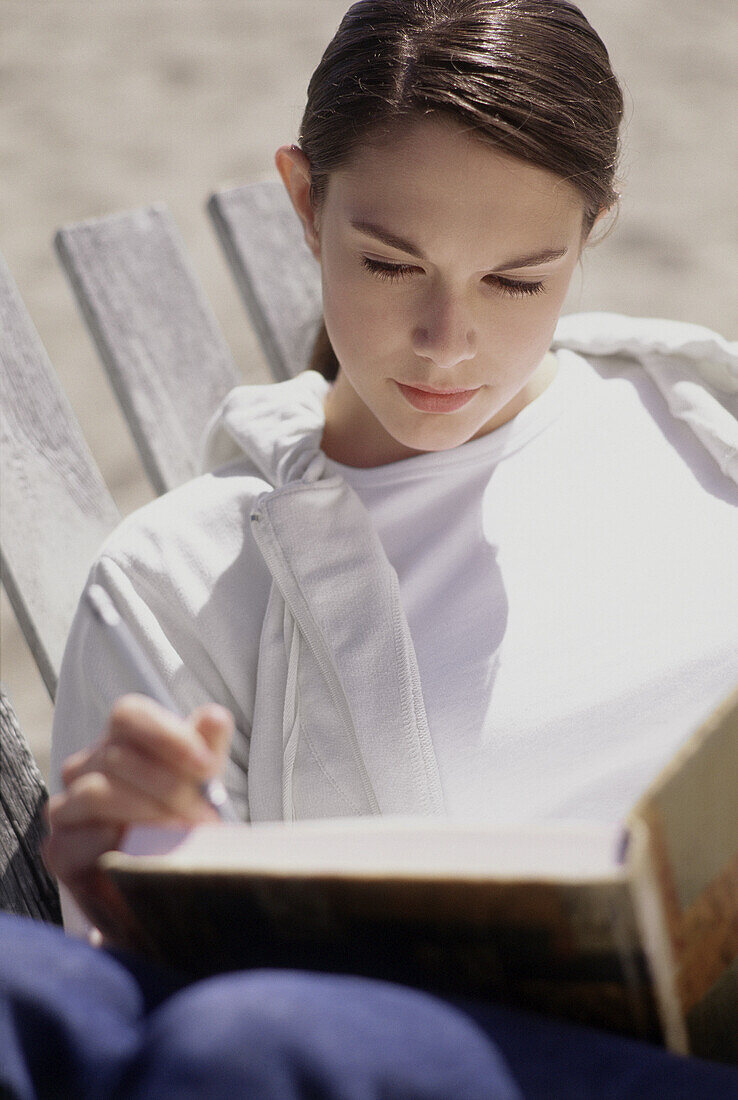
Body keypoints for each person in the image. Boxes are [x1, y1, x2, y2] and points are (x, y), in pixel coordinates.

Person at [3, 0, 737, 1095]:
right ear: (305, 201)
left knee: (256, 1042)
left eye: (517, 279)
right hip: (417, 1046)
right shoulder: (185, 579)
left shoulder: (697, 429)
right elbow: (131, 978)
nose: (449, 342)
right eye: (393, 265)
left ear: (593, 229)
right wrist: (137, 881)